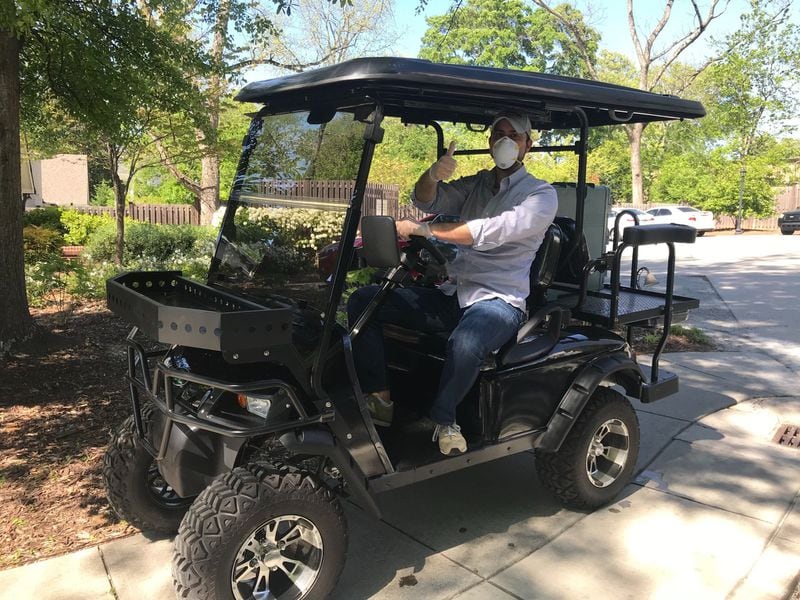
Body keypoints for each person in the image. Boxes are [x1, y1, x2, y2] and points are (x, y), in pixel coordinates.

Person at [347, 111, 558, 456]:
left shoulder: (539, 195)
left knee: (466, 342)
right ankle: (379, 399)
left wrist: (423, 229)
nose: (505, 141)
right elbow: (427, 199)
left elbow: (489, 232)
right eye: (498, 134)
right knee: (365, 301)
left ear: (527, 145)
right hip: (454, 293)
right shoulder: (477, 184)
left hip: (499, 300)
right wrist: (431, 175)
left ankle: (445, 420)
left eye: (513, 136)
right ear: (489, 143)